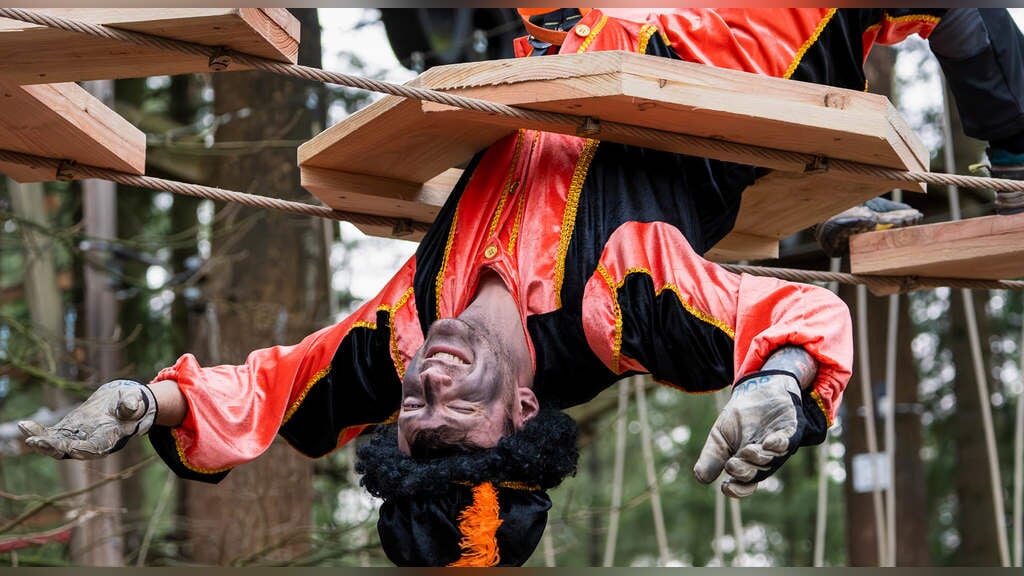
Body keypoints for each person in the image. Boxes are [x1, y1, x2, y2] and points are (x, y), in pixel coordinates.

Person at [20, 7, 1019, 567]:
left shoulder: (408, 338)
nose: (424, 391)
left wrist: (145, 402)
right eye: (455, 414)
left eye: (412, 417)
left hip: (573, 28)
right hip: (742, 40)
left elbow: (279, 392)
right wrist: (782, 387)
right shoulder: (622, 307)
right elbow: (796, 316)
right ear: (527, 412)